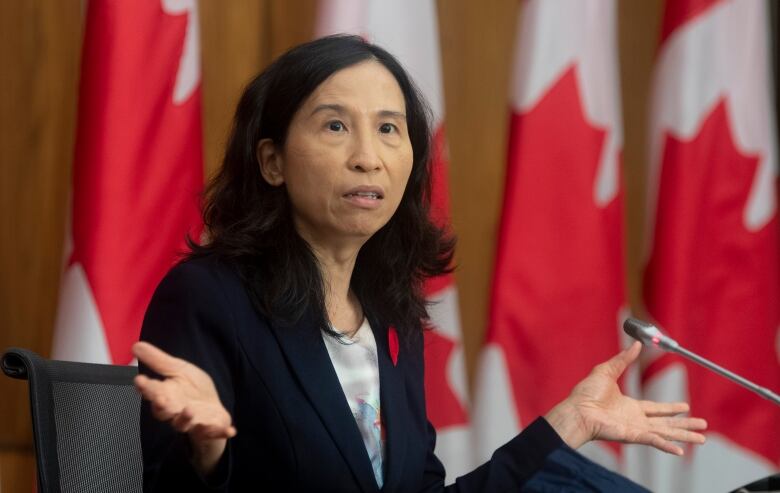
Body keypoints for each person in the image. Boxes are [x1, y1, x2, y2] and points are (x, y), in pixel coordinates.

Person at [133, 34, 707, 492]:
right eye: (335, 126)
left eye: (389, 129)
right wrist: (207, 455)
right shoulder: (209, 296)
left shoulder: (389, 316)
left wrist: (570, 424)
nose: (368, 158)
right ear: (272, 161)